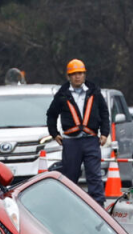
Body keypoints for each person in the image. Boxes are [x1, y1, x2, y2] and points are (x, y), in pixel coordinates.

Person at [46, 59, 110, 205]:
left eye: (80, 73)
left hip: (91, 140)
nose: (77, 76)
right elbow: (51, 114)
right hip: (71, 142)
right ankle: (69, 206)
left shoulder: (94, 92)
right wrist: (54, 133)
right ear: (68, 76)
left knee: (94, 176)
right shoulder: (62, 94)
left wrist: (104, 133)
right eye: (74, 74)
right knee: (70, 177)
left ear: (84, 74)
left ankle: (98, 205)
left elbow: (104, 113)